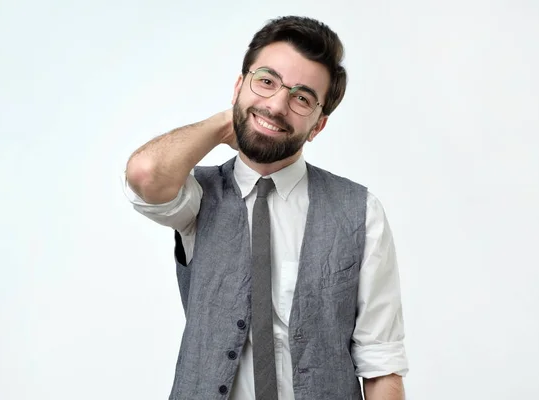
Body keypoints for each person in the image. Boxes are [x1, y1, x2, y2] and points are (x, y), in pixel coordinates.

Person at [123, 15, 408, 400]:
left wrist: (257, 107)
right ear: (239, 85)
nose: (277, 105)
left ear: (318, 126)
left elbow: (381, 367)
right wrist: (235, 119)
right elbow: (144, 174)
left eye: (301, 98)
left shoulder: (360, 211)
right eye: (267, 81)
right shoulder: (198, 197)